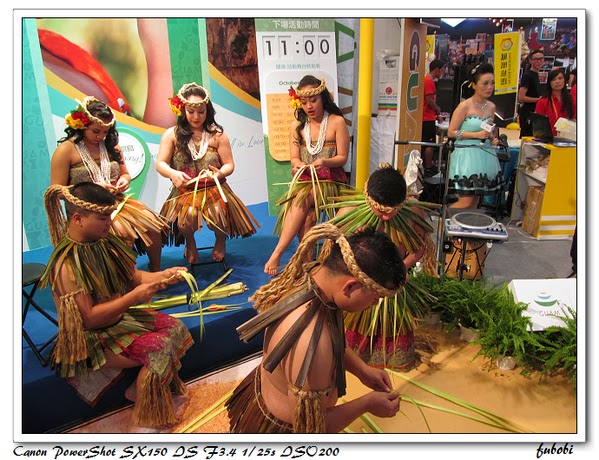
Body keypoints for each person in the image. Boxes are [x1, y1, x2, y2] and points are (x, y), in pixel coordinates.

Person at [39, 182, 194, 428]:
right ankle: (144, 417)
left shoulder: (104, 243)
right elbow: (90, 319)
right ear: (78, 218)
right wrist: (134, 297)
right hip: (92, 339)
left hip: (118, 319)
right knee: (160, 348)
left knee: (176, 328)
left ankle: (137, 390)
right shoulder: (66, 264)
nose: (110, 223)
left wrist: (163, 275)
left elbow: (134, 277)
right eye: (103, 218)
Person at [227, 222, 405, 433]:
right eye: (375, 297)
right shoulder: (311, 343)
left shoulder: (312, 277)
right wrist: (367, 404)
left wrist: (363, 370)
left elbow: (335, 340)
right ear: (350, 286)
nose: (374, 305)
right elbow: (311, 429)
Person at [325, 164, 440, 369]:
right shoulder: (349, 212)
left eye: (392, 211)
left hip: (395, 286)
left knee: (395, 335)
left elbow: (419, 248)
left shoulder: (413, 211)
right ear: (368, 196)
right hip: (362, 287)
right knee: (351, 350)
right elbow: (335, 253)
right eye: (380, 211)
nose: (386, 217)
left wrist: (401, 269)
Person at [50, 96, 169, 271]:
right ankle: (126, 278)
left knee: (153, 224)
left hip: (116, 202)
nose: (101, 136)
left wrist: (123, 180)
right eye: (95, 131)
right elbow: (56, 191)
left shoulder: (112, 146)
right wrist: (93, 189)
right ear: (81, 125)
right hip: (86, 210)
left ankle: (156, 270)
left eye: (105, 131)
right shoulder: (66, 150)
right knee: (123, 232)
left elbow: (125, 174)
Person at [156, 82, 259, 265]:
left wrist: (220, 174)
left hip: (213, 188)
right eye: (191, 111)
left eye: (201, 112)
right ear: (182, 110)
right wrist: (172, 173)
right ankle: (190, 242)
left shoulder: (217, 135)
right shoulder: (172, 135)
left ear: (208, 111)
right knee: (187, 218)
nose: (196, 117)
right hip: (185, 191)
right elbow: (160, 163)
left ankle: (220, 239)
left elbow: (229, 165)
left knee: (218, 214)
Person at [264, 75, 350, 275]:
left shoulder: (336, 122)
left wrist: (324, 162)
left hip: (331, 181)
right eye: (304, 102)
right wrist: (298, 165)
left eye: (313, 100)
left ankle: (278, 252)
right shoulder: (297, 126)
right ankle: (306, 262)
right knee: (308, 217)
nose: (309, 106)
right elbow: (294, 158)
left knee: (304, 197)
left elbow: (343, 158)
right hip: (306, 180)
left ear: (323, 98)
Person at [447, 63, 503, 209]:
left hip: (485, 154)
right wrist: (475, 135)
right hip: (466, 154)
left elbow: (490, 129)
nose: (489, 87)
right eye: (485, 83)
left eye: (492, 83)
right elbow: (451, 132)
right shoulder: (464, 106)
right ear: (474, 85)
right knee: (466, 199)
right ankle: (445, 219)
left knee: (476, 199)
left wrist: (493, 138)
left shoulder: (491, 107)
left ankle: (465, 223)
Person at [534, 68, 576, 136]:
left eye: (560, 78)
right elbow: (538, 126)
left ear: (565, 80)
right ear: (549, 83)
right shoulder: (543, 102)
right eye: (553, 79)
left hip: (568, 138)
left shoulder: (572, 100)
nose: (557, 82)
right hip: (548, 138)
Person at [422, 59, 445, 176]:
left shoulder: (428, 80)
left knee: (428, 143)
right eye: (442, 70)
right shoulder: (428, 81)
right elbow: (429, 100)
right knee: (430, 144)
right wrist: (437, 109)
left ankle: (427, 166)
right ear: (437, 69)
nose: (442, 73)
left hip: (428, 117)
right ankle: (428, 167)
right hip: (427, 118)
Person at [518, 49, 545, 138]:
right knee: (527, 136)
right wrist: (539, 100)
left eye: (541, 59)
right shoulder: (528, 75)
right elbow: (521, 97)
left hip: (535, 111)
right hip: (527, 111)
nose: (538, 61)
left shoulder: (538, 75)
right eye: (536, 59)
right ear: (530, 60)